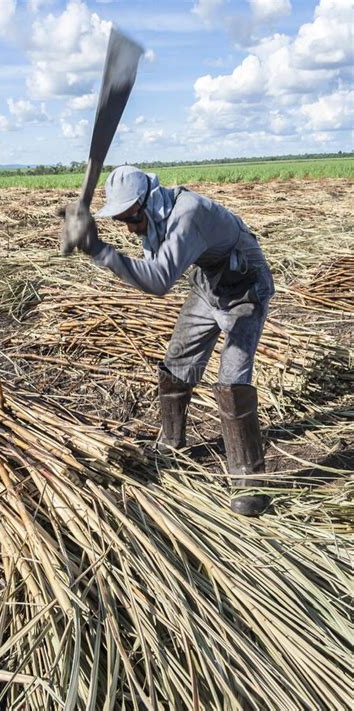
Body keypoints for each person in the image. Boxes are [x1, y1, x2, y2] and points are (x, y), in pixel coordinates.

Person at [60, 166, 275, 517]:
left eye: (131, 218)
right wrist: (96, 248)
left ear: (146, 202)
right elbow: (151, 269)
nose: (128, 228)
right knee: (176, 364)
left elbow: (159, 281)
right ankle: (171, 443)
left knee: (232, 379)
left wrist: (98, 248)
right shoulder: (153, 218)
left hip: (245, 288)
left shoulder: (187, 214)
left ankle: (250, 481)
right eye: (120, 222)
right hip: (209, 286)